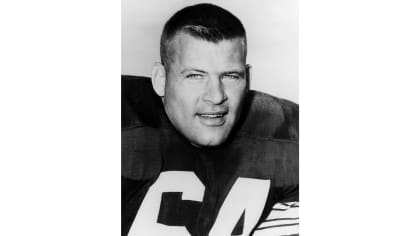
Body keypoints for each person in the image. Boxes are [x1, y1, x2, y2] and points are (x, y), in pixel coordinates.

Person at [122, 3, 298, 236]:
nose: (216, 96)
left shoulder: (288, 138)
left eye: (230, 76)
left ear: (248, 79)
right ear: (160, 79)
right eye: (195, 76)